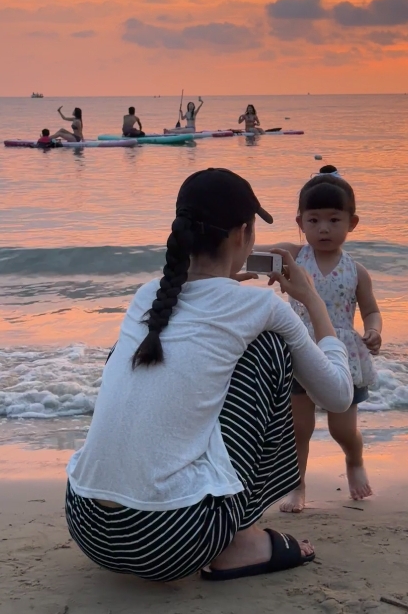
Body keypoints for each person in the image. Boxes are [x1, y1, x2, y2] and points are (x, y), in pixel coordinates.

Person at [64, 167, 352, 583]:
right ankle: (243, 540)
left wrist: (216, 290)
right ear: (242, 235)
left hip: (88, 525)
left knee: (149, 350)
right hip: (169, 541)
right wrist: (310, 298)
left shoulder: (146, 295)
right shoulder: (262, 307)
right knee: (269, 346)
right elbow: (339, 395)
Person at [256, 165, 382, 513]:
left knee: (343, 429)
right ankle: (297, 486)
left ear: (351, 223)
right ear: (300, 223)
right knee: (299, 428)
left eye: (333, 220)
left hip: (343, 355)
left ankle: (354, 460)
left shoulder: (356, 271)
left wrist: (374, 330)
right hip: (299, 350)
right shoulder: (294, 257)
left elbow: (370, 310)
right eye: (313, 221)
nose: (323, 228)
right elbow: (250, 254)